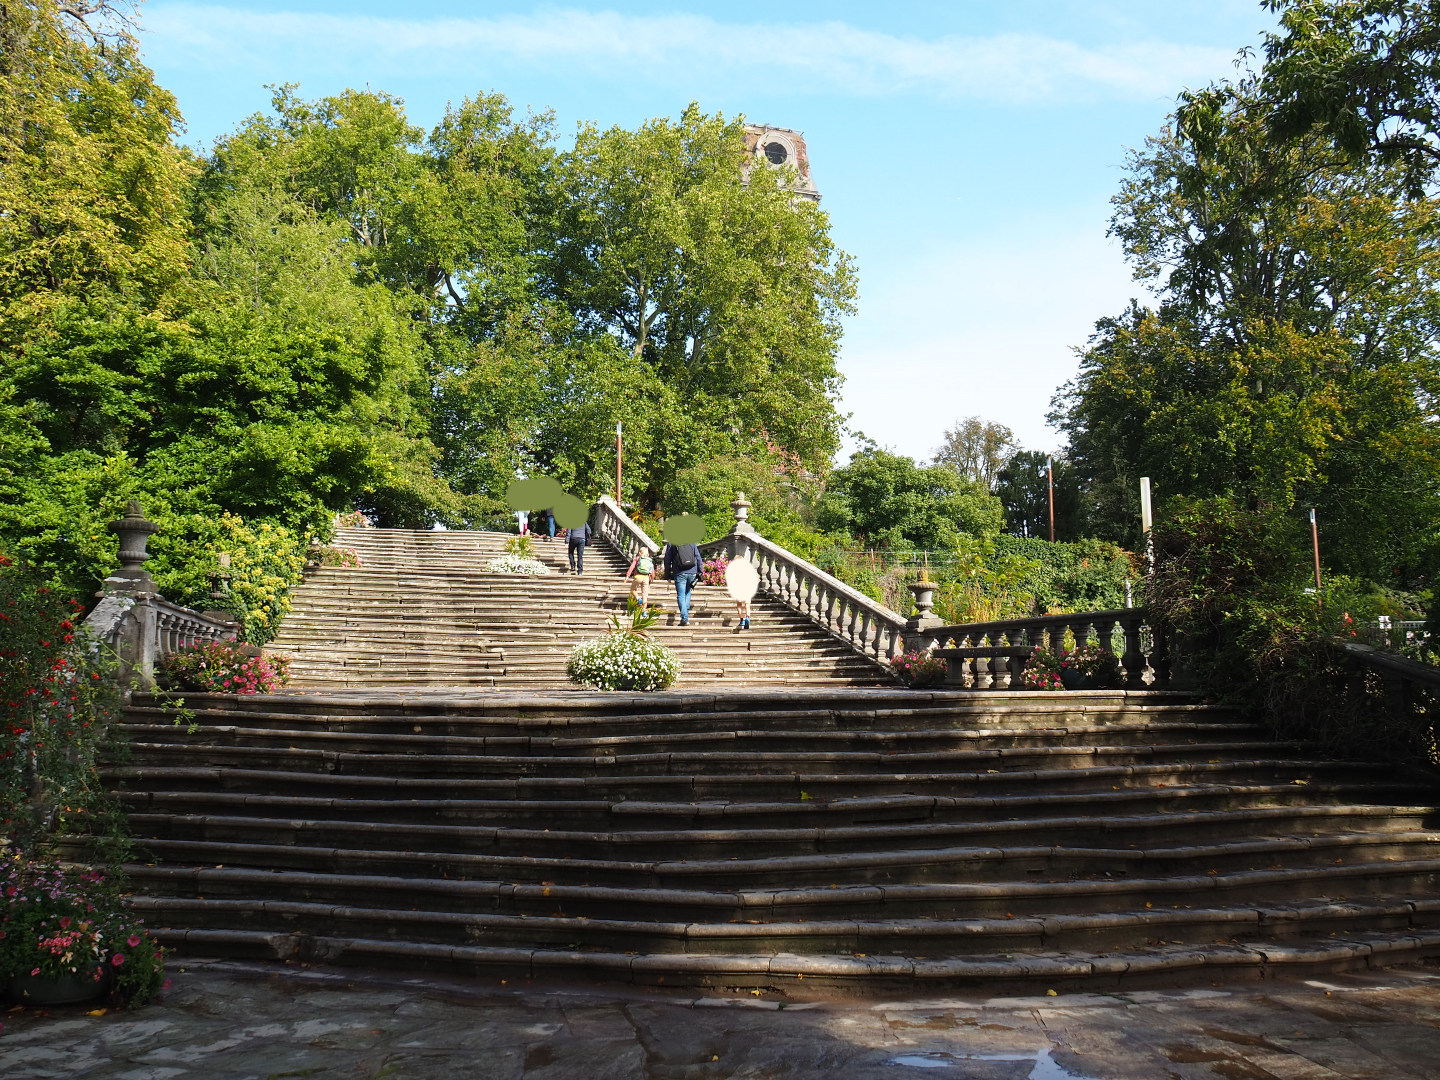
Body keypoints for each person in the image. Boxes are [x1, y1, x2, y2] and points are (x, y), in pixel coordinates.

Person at [663, 539, 702, 626]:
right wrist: (700, 571)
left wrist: (668, 575)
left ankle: (684, 618)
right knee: (687, 593)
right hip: (692, 572)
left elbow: (667, 560)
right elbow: (698, 557)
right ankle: (685, 616)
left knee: (681, 595)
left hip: (680, 572)